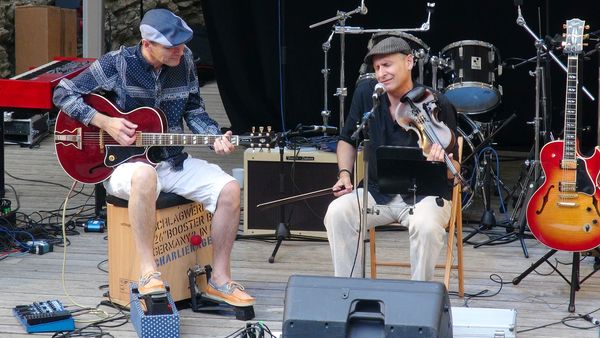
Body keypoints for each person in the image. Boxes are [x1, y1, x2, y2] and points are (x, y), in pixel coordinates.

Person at [53, 8, 254, 307]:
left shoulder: (184, 62)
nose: (181, 51)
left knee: (229, 189)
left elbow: (194, 110)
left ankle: (220, 279)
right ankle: (148, 273)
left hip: (171, 161)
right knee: (144, 174)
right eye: (172, 47)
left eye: (183, 44)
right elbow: (62, 92)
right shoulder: (117, 63)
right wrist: (103, 121)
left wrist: (215, 138)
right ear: (147, 44)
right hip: (122, 165)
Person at [323, 36, 459, 280]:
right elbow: (347, 140)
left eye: (387, 65)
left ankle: (420, 299)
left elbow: (455, 168)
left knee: (426, 226)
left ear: (408, 62)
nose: (381, 73)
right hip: (377, 193)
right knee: (337, 212)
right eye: (376, 68)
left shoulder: (436, 103)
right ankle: (348, 289)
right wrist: (344, 174)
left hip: (425, 196)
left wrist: (441, 163)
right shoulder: (367, 95)